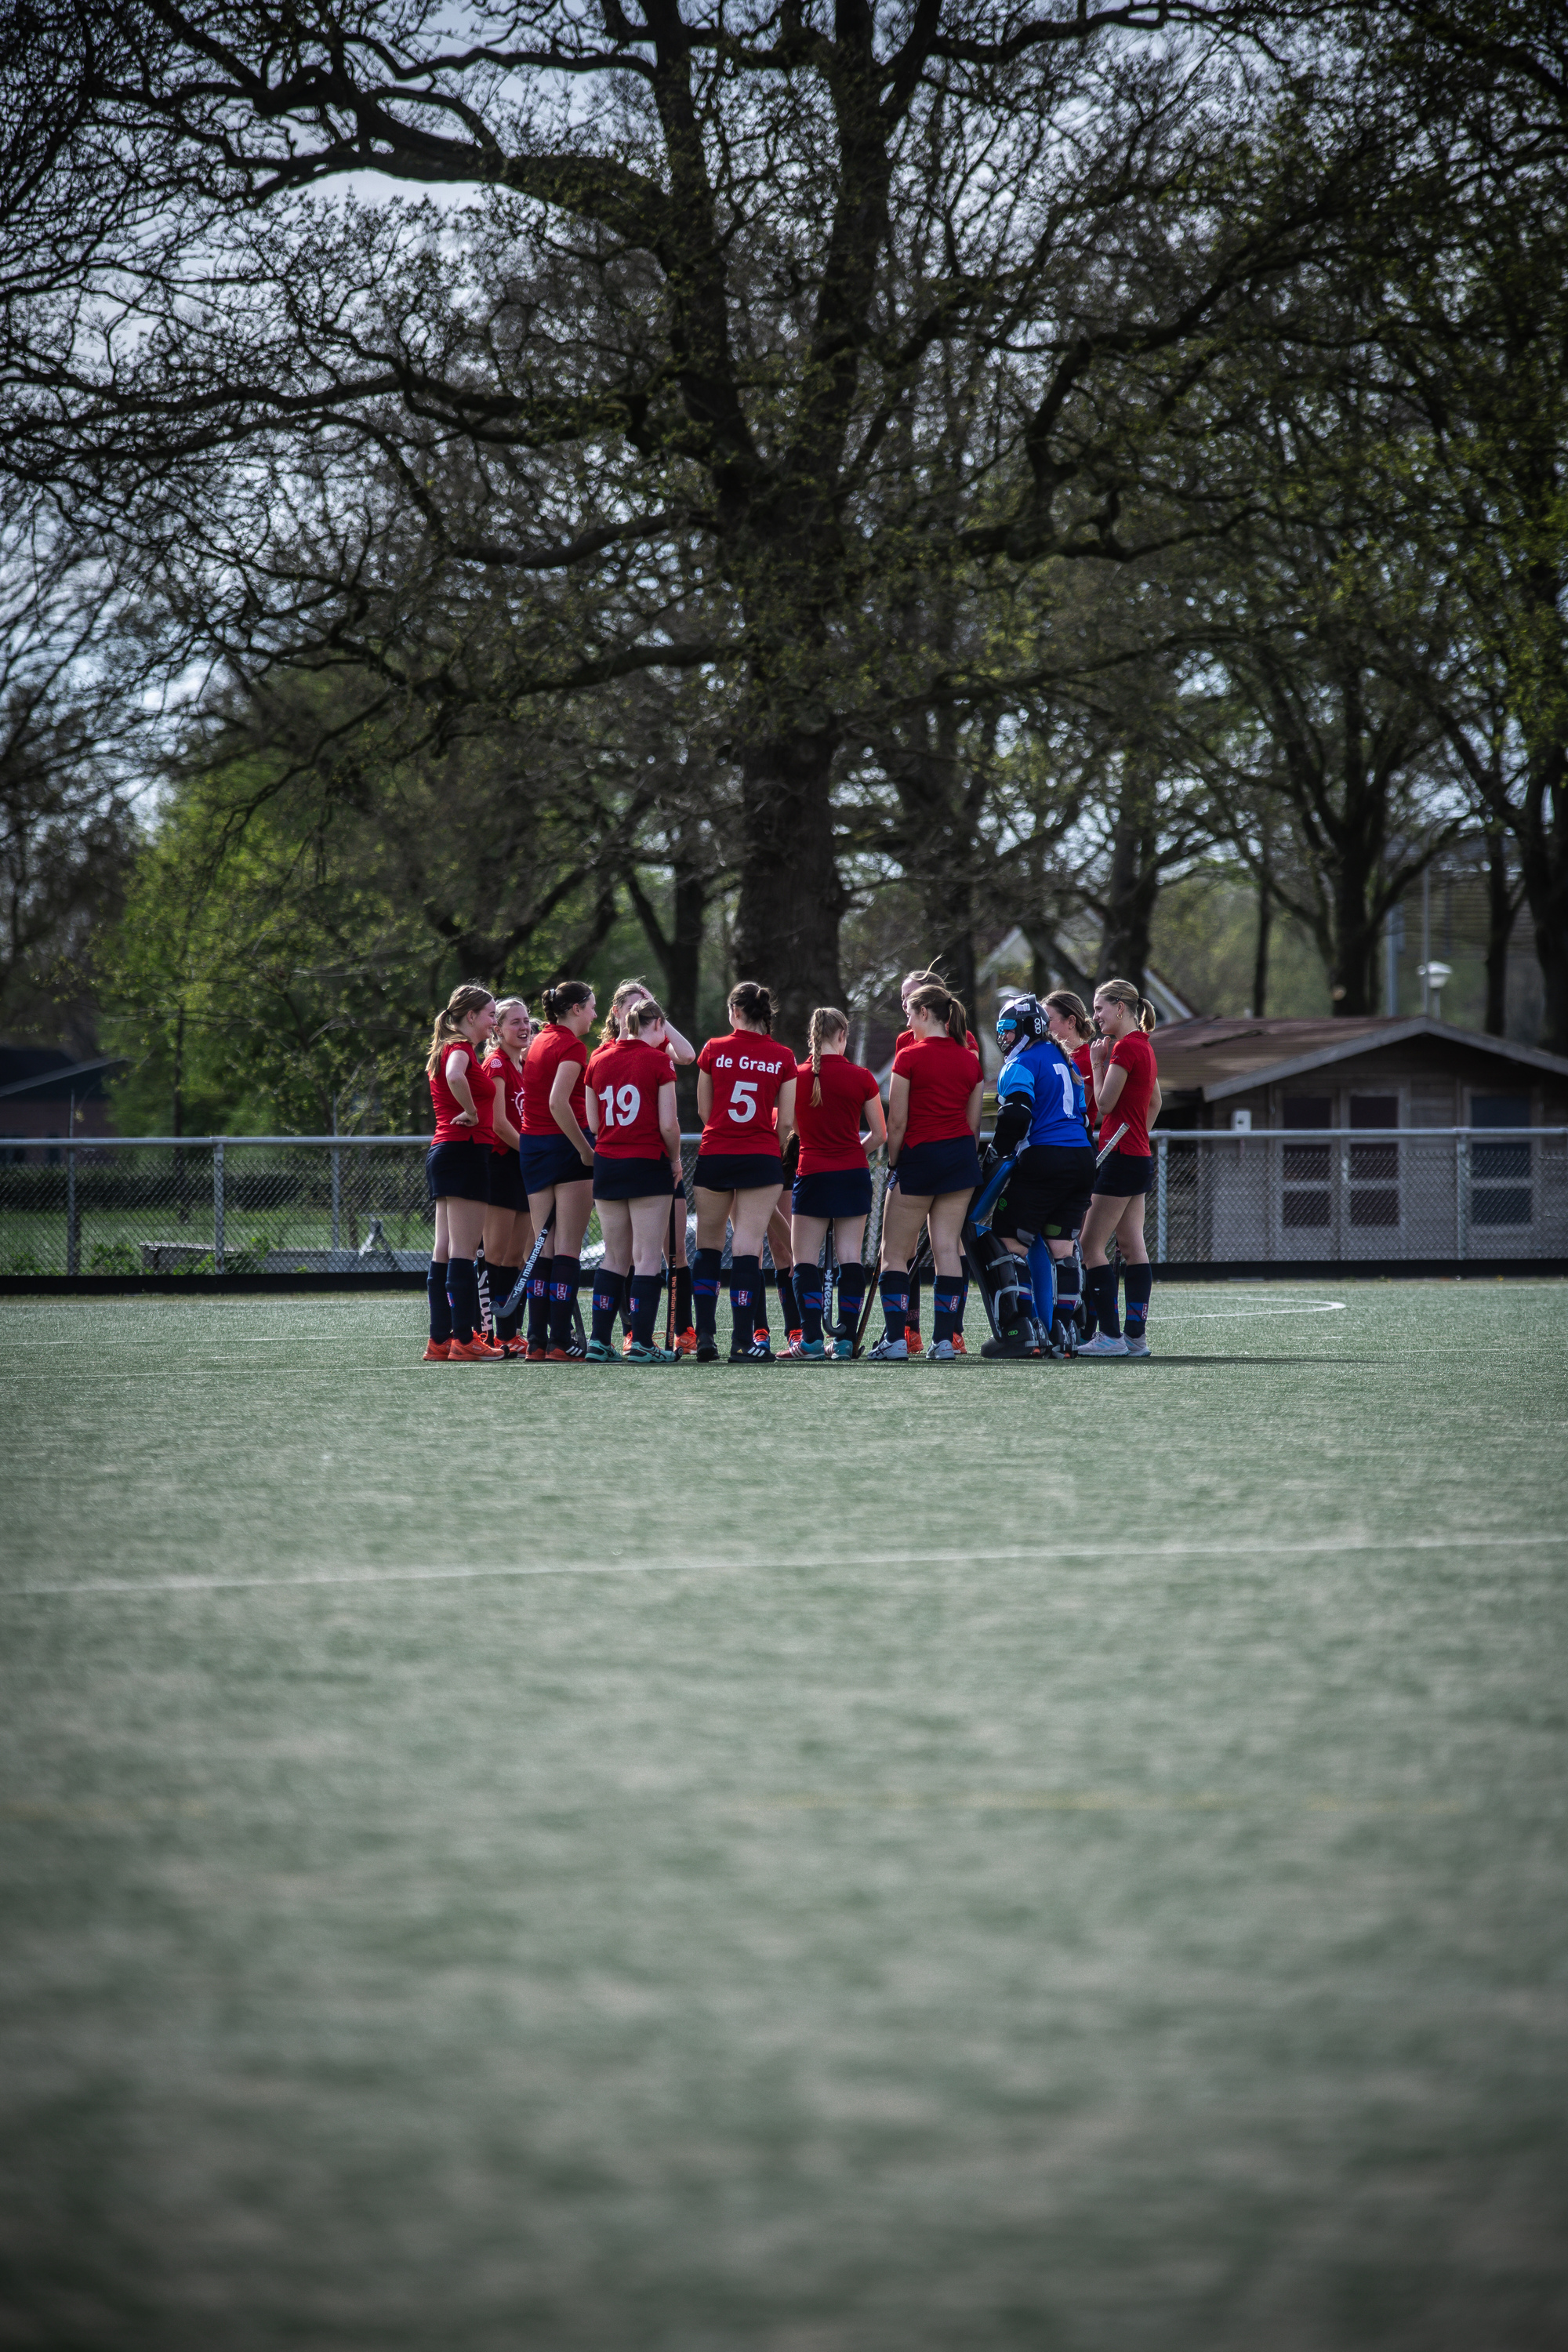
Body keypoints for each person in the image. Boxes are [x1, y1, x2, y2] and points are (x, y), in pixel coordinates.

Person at [980, 994, 1096, 1358]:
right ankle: (1065, 1330)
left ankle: (1023, 1329)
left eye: (1008, 1030)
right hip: (1081, 1158)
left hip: (1046, 1157)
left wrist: (996, 1154)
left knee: (1010, 1240)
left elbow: (1016, 1116)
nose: (1004, 1038)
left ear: (1027, 1028)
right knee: (1062, 1248)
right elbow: (1084, 1118)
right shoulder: (1064, 1060)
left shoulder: (1021, 1064)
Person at [873, 982, 983, 1361]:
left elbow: (897, 1123)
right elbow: (973, 1128)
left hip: (919, 1159)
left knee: (894, 1254)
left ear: (924, 1014)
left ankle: (895, 1340)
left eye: (909, 1013)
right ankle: (942, 1342)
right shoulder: (970, 1059)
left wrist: (894, 1163)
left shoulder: (909, 1057)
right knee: (948, 1249)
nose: (907, 1020)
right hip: (959, 1161)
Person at [691, 982, 797, 1362]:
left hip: (716, 1153)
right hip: (760, 1157)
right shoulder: (783, 1056)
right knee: (748, 1246)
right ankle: (742, 1341)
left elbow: (704, 1112)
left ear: (735, 1011)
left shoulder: (713, 1050)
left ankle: (704, 1338)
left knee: (708, 1245)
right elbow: (786, 1123)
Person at [584, 995, 684, 1362]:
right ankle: (641, 1342)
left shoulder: (597, 1059)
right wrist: (674, 1160)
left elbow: (594, 1124)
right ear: (657, 1025)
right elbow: (668, 1125)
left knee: (614, 1257)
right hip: (647, 1163)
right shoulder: (659, 1061)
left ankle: (598, 1341)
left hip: (608, 1164)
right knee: (646, 1258)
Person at [601, 978, 699, 1351]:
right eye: (631, 1003)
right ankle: (633, 1332)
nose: (638, 1008)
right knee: (628, 1254)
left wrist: (656, 1012)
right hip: (631, 1160)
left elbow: (688, 1055)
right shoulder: (608, 1051)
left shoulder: (657, 1047)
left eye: (643, 1003)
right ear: (616, 1011)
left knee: (673, 1250)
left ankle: (682, 1328)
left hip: (658, 1162)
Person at [786, 1006, 886, 1359]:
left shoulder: (796, 1076)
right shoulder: (861, 1077)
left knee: (804, 1262)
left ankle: (812, 1340)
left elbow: (790, 1127)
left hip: (812, 1173)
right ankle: (844, 1341)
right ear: (842, 1036)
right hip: (852, 1175)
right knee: (850, 1259)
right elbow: (880, 1133)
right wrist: (852, 1150)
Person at [1079, 979, 1162, 1357]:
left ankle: (1110, 1336)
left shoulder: (1125, 1048)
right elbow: (1155, 1102)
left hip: (1119, 1156)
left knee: (1090, 1244)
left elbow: (1105, 1103)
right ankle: (1134, 1337)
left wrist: (1097, 1063)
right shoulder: (1144, 1046)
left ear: (1120, 1007)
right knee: (1131, 1246)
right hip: (1137, 1155)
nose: (1095, 1017)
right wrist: (1138, 1133)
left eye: (1099, 1009)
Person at [423, 982, 504, 1362]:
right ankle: (463, 1339)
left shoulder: (446, 1047)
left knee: (444, 1251)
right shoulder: (458, 1049)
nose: (493, 1022)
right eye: (490, 1015)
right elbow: (456, 1076)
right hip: (465, 1151)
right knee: (463, 1251)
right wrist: (472, 1112)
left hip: (445, 1151)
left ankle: (440, 1339)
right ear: (470, 1016)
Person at [520, 980, 597, 1362]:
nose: (596, 1015)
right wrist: (585, 1150)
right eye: (593, 1007)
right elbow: (558, 1102)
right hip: (565, 1146)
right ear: (577, 1008)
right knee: (566, 1247)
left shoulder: (538, 1040)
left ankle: (537, 1339)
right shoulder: (571, 1045)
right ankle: (560, 1341)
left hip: (533, 1147)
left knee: (543, 1247)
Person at [480, 996, 532, 1356]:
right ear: (497, 1030)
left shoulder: (526, 1064)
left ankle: (510, 1332)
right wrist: (533, 1152)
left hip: (523, 1166)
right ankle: (485, 1331)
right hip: (502, 1164)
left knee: (517, 1256)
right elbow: (499, 1124)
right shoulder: (496, 1063)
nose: (524, 1026)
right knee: (495, 1254)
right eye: (515, 1021)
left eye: (526, 1019)